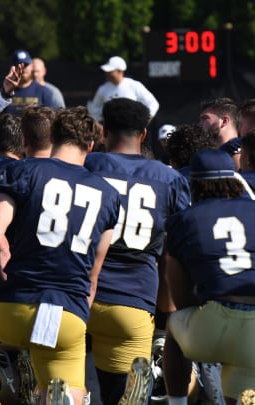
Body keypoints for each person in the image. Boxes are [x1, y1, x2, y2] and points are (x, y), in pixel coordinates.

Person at [0, 107, 120, 405]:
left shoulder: (21, 171)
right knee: (64, 385)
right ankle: (61, 396)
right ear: (90, 146)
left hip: (17, 307)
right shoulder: (109, 195)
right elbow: (93, 276)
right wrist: (75, 311)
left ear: (54, 136)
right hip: (66, 315)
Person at [83, 98, 190, 405]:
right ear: (144, 134)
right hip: (133, 301)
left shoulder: (88, 166)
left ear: (103, 131)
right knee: (124, 398)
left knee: (66, 388)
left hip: (76, 296)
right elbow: (179, 247)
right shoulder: (168, 179)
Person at [163, 149, 255, 404]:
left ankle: (178, 402)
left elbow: (180, 298)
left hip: (215, 320)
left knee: (174, 324)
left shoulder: (183, 220)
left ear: (195, 183)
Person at [87, 56, 159, 122]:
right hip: (110, 132)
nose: (107, 73)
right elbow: (94, 108)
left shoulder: (134, 85)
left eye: (110, 71)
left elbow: (153, 103)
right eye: (107, 71)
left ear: (120, 71)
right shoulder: (102, 89)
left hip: (131, 131)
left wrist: (143, 122)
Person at [4, 50, 58, 116]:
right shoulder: (4, 92)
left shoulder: (44, 92)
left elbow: (52, 119)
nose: (23, 68)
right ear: (12, 68)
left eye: (26, 65)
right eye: (19, 65)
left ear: (32, 67)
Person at [199, 97, 241, 170]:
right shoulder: (208, 155)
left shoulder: (245, 153)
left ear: (224, 121)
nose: (200, 124)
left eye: (205, 118)